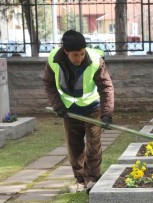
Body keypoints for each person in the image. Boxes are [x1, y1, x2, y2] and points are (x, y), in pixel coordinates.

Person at [43, 30, 114, 192]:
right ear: (66, 51)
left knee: (93, 144)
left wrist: (107, 114)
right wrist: (58, 106)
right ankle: (80, 179)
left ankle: (93, 179)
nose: (80, 58)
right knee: (74, 146)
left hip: (92, 108)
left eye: (82, 54)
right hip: (69, 109)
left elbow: (106, 87)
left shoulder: (96, 60)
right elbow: (48, 84)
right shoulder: (53, 59)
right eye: (75, 55)